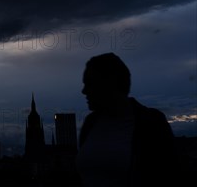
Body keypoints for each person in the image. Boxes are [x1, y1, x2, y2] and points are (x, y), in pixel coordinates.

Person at [76, 52, 178, 186]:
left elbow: (167, 174)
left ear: (109, 83)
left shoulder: (151, 122)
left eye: (90, 83)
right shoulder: (91, 123)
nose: (84, 91)